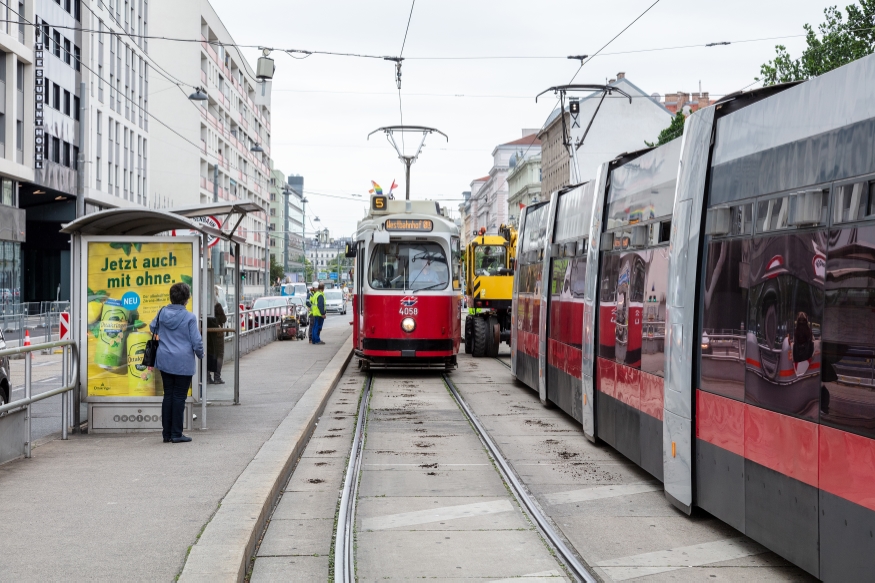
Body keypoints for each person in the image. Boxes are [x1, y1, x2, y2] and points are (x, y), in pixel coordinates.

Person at [150, 282, 203, 444]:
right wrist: (201, 354)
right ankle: (176, 433)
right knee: (179, 396)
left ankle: (166, 434)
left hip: (165, 359)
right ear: (186, 299)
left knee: (168, 395)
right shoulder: (189, 317)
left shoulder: (162, 312)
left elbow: (153, 328)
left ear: (171, 297)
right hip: (183, 362)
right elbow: (197, 342)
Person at [207, 287, 227, 384]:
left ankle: (207, 377)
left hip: (207, 334)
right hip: (218, 334)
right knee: (219, 354)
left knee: (207, 354)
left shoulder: (204, 306)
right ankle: (217, 377)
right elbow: (224, 319)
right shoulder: (217, 306)